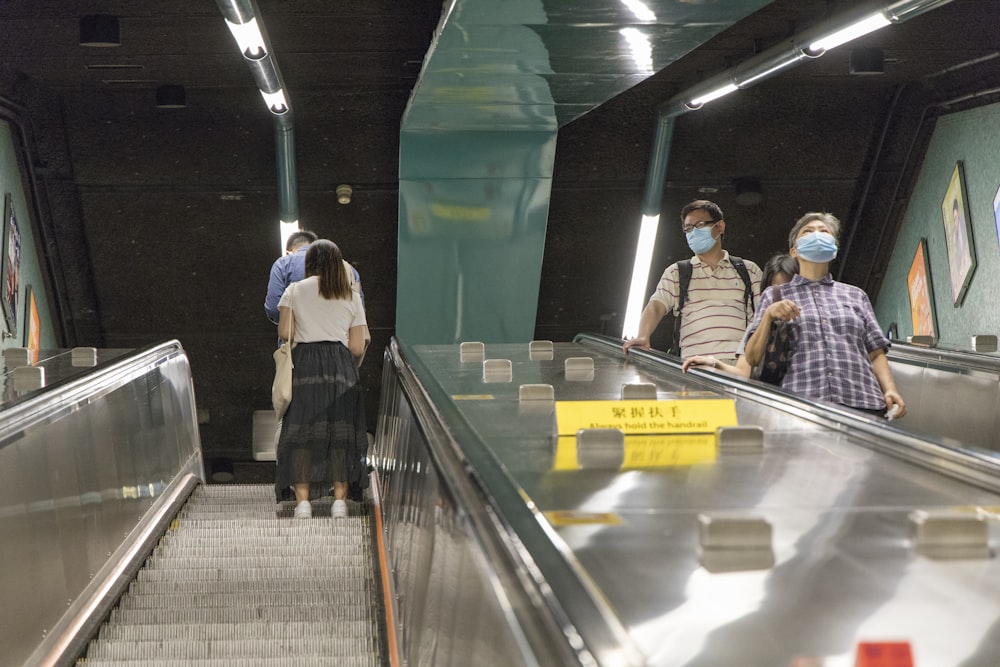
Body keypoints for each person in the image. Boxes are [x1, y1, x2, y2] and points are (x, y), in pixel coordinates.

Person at [743, 212, 906, 418]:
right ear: (794, 251)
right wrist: (768, 315)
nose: (817, 235)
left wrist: (890, 389)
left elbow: (875, 352)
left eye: (824, 231)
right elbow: (752, 358)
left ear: (835, 249)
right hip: (800, 404)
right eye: (808, 232)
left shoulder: (855, 295)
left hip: (864, 401)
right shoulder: (775, 295)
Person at [275, 240, 369, 519]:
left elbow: (284, 331)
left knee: (303, 433)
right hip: (340, 366)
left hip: (305, 365)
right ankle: (339, 500)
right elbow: (357, 346)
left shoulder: (294, 291)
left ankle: (303, 503)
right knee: (339, 433)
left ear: (309, 263)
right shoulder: (350, 296)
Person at [623, 200, 762, 365]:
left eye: (700, 225)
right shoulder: (677, 272)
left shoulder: (748, 270)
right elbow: (656, 306)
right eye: (688, 228)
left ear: (720, 227)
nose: (693, 232)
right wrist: (643, 335)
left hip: (740, 363)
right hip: (693, 365)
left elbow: (764, 315)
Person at [682, 253, 798, 377]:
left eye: (789, 289)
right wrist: (713, 363)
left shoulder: (811, 323)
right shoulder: (757, 327)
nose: (782, 298)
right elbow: (743, 372)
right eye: (775, 291)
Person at [264, 229, 363, 324]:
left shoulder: (283, 264)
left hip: (297, 338)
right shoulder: (346, 268)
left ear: (289, 250)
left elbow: (274, 307)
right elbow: (359, 310)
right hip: (340, 337)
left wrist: (291, 324)